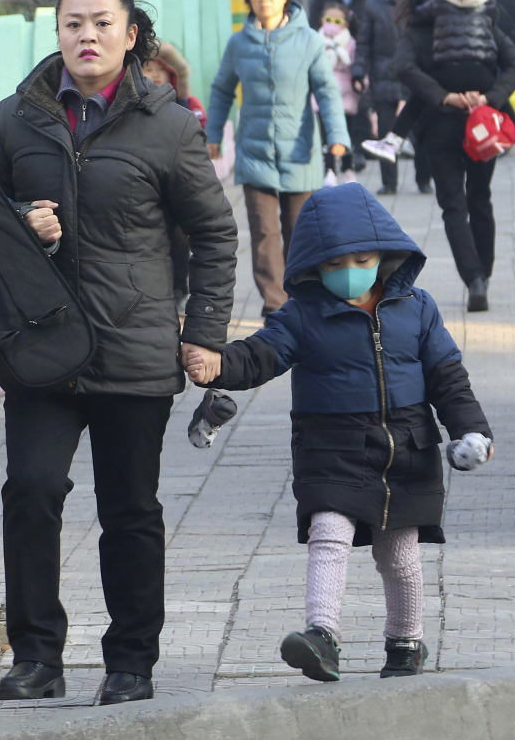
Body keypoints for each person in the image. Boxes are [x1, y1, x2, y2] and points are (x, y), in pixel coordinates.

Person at [0, 0, 238, 705]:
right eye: (71, 24)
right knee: (30, 491)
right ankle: (36, 655)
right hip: (42, 348)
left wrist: (206, 332)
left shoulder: (168, 124)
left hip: (134, 348)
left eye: (100, 23)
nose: (85, 36)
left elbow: (216, 235)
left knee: (130, 508)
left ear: (131, 35)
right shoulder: (16, 119)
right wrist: (18, 221)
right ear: (56, 33)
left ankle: (131, 661)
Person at [184, 183, 493, 682]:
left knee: (398, 552)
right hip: (330, 445)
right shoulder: (302, 315)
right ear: (312, 266)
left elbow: (448, 376)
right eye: (333, 265)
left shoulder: (418, 308)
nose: (349, 272)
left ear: (385, 256)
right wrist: (218, 365)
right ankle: (322, 636)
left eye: (362, 258)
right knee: (328, 532)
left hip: (406, 449)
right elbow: (262, 354)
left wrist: (471, 430)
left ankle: (406, 640)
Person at [206, 0, 350, 316]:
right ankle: (275, 305)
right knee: (264, 234)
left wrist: (337, 135)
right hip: (255, 153)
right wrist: (213, 133)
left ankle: (302, 299)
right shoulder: (239, 43)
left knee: (300, 233)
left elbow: (328, 92)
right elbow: (222, 89)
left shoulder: (309, 40)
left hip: (300, 151)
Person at [393, 0, 515, 312]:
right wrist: (491, 97)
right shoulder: (482, 22)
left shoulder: (417, 31)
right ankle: (482, 274)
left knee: (453, 205)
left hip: (439, 127)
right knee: (480, 198)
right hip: (482, 125)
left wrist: (443, 96)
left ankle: (473, 278)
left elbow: (403, 68)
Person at [364, 0, 515, 169]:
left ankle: (393, 141)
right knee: (501, 100)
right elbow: (495, 17)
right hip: (480, 72)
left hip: (448, 71)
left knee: (417, 99)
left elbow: (419, 14)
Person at [353, 0, 424, 195]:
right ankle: (389, 182)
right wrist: (358, 72)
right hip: (383, 75)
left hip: (414, 74)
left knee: (420, 130)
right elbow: (363, 43)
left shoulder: (418, 0)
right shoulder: (372, 3)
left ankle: (424, 177)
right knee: (386, 131)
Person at [142, 42, 208, 302]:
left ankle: (180, 288)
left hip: (180, 187)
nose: (156, 74)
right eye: (148, 68)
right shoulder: (133, 110)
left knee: (180, 241)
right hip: (150, 187)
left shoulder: (184, 104)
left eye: (162, 69)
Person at [317, 3, 359, 186]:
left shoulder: (350, 43)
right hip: (322, 94)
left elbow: (355, 65)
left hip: (346, 94)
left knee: (346, 133)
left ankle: (347, 167)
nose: (332, 24)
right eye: (328, 20)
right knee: (326, 135)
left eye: (337, 20)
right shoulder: (316, 41)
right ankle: (329, 169)